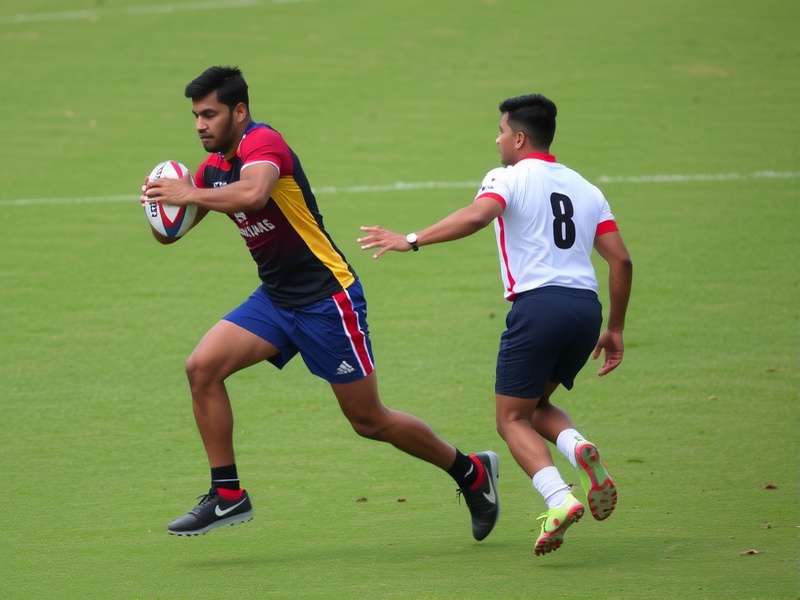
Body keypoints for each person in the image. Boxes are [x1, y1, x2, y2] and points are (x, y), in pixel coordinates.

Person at [141, 66, 500, 539]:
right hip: (275, 300)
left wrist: (191, 193)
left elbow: (254, 193)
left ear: (240, 111)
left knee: (369, 420)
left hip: (327, 299)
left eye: (210, 114)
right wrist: (162, 206)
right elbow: (172, 234)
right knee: (201, 368)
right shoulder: (213, 171)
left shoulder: (263, 143)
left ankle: (472, 471)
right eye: (195, 116)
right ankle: (228, 495)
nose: (200, 125)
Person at [357, 94, 632, 556]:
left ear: (520, 137)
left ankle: (558, 498)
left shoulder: (506, 177)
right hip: (586, 310)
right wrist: (617, 329)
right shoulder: (588, 189)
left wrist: (411, 239)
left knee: (510, 419)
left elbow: (478, 215)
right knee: (537, 404)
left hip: (538, 307)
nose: (498, 138)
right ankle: (577, 445)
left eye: (502, 131)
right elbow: (621, 261)